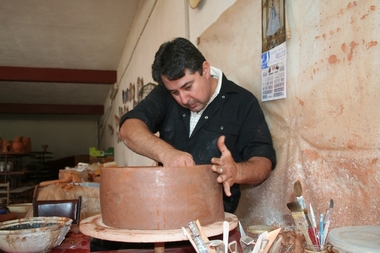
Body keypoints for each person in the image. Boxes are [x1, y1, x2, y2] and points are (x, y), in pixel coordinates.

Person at [119, 37, 276, 213]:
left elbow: (263, 161)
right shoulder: (164, 95)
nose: (183, 99)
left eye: (188, 86)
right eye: (174, 92)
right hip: (165, 209)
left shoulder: (242, 102)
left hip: (214, 218)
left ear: (205, 70)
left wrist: (237, 172)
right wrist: (167, 154)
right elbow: (128, 129)